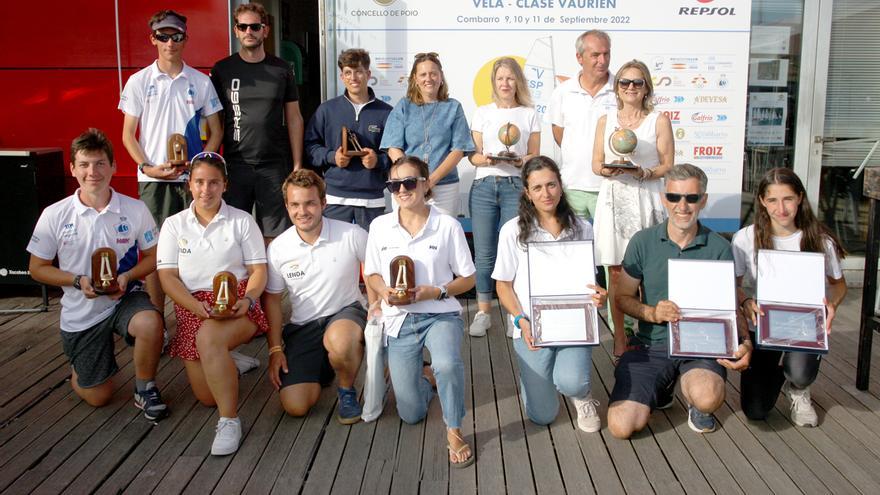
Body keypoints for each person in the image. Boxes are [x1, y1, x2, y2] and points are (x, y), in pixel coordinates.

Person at [27, 128, 167, 420]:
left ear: (114, 166)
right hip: (82, 312)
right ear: (73, 169)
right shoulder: (55, 214)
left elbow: (155, 257)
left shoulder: (135, 209)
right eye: (85, 164)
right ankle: (80, 367)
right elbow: (36, 268)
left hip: (124, 297)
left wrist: (128, 277)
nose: (93, 172)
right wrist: (77, 281)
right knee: (99, 396)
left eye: (100, 163)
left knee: (150, 322)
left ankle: (145, 388)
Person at [608, 164, 752, 438]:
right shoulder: (643, 241)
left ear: (703, 200)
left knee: (707, 397)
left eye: (691, 198)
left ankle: (696, 404)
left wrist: (745, 342)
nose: (682, 206)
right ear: (664, 199)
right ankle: (662, 388)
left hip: (702, 347)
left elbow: (732, 305)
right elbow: (622, 297)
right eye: (674, 197)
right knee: (620, 427)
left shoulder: (719, 247)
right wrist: (651, 313)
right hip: (652, 345)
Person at [364, 156, 477, 467]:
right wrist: (382, 290)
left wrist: (437, 291)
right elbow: (372, 273)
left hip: (440, 313)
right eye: (394, 184)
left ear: (426, 184)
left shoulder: (447, 225)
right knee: (411, 413)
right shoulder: (379, 226)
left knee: (447, 363)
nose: (402, 189)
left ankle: (454, 429)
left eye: (409, 182)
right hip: (399, 321)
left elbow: (469, 278)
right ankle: (427, 380)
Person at [156, 152, 269, 455]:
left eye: (214, 183)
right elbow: (167, 277)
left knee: (208, 339)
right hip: (192, 305)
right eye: (200, 182)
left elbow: (259, 271)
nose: (206, 190)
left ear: (225, 185)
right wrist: (197, 309)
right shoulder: (173, 224)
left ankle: (229, 420)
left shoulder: (242, 221)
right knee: (206, 396)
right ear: (189, 184)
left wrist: (247, 299)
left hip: (238, 305)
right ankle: (228, 361)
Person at [120, 9, 224, 315]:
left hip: (193, 182)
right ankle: (157, 321)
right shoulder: (138, 81)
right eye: (163, 36)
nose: (170, 42)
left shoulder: (200, 81)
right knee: (156, 254)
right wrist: (146, 166)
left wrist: (200, 167)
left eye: (176, 36)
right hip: (154, 181)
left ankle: (197, 318)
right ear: (153, 39)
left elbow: (216, 131)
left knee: (198, 249)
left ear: (185, 39)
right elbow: (128, 135)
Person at [492, 156, 607, 432]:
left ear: (561, 186)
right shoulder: (511, 231)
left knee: (571, 381)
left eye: (552, 185)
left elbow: (591, 282)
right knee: (542, 415)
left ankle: (581, 396)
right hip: (531, 327)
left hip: (574, 324)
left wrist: (599, 296)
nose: (547, 193)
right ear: (527, 193)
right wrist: (520, 319)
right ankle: (535, 380)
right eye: (538, 188)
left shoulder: (583, 228)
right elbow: (503, 285)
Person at [732, 167, 847, 427]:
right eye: (772, 200)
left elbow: (839, 286)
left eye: (788, 199)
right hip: (762, 325)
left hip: (804, 326)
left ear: (800, 198)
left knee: (800, 373)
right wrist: (745, 301)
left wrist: (833, 305)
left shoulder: (820, 239)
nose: (780, 208)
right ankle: (776, 376)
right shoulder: (745, 238)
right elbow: (734, 285)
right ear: (762, 201)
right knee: (755, 410)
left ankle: (798, 388)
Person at [263, 170, 371, 424]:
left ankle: (346, 390)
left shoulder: (352, 234)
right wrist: (275, 349)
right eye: (295, 204)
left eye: (310, 203)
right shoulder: (278, 247)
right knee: (296, 405)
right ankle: (325, 367)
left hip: (346, 313)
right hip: (304, 326)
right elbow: (272, 301)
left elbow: (377, 278)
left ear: (323, 202)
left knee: (340, 341)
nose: (303, 211)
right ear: (287, 206)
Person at [592, 59, 674, 342]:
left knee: (648, 272)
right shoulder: (606, 120)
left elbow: (668, 165)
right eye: (624, 82)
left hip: (646, 197)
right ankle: (620, 339)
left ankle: (649, 335)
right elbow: (596, 164)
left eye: (637, 82)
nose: (630, 87)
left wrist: (644, 173)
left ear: (646, 88)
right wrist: (608, 170)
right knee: (615, 272)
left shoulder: (659, 120)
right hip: (614, 199)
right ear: (617, 87)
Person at [211, 2, 305, 242]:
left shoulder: (282, 69)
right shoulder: (222, 69)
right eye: (243, 27)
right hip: (235, 164)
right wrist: (209, 161)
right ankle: (239, 282)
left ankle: (272, 281)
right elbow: (214, 123)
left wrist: (296, 163)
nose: (248, 32)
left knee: (274, 234)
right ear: (236, 31)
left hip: (274, 165)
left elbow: (294, 118)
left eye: (255, 26)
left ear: (265, 30)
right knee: (232, 233)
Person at [467, 57, 541, 337]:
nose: (505, 83)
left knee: (516, 251)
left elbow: (534, 153)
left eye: (511, 78)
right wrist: (485, 160)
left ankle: (515, 315)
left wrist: (521, 160)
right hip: (485, 186)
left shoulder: (529, 113)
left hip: (515, 187)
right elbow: (472, 155)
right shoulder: (482, 112)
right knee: (485, 253)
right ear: (494, 82)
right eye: (500, 79)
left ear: (518, 82)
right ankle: (483, 312)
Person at [304, 48, 393, 231]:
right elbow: (310, 146)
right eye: (348, 73)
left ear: (368, 74)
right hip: (335, 198)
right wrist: (331, 157)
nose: (353, 77)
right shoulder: (327, 110)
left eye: (359, 71)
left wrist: (377, 160)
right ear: (342, 77)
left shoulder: (386, 112)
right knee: (335, 255)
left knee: (371, 256)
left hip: (372, 199)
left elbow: (396, 153)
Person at [380, 52, 474, 216]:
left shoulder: (453, 107)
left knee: (442, 233)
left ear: (441, 76)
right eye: (423, 74)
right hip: (408, 186)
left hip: (444, 187)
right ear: (415, 79)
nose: (428, 78)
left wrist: (431, 180)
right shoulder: (403, 106)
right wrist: (413, 178)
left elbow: (459, 149)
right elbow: (393, 147)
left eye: (433, 73)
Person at [548, 30, 617, 220]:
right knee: (575, 247)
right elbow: (559, 134)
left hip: (610, 186)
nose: (602, 60)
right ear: (579, 57)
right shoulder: (562, 92)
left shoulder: (622, 90)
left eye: (606, 53)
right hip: (572, 187)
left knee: (609, 249)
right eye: (595, 55)